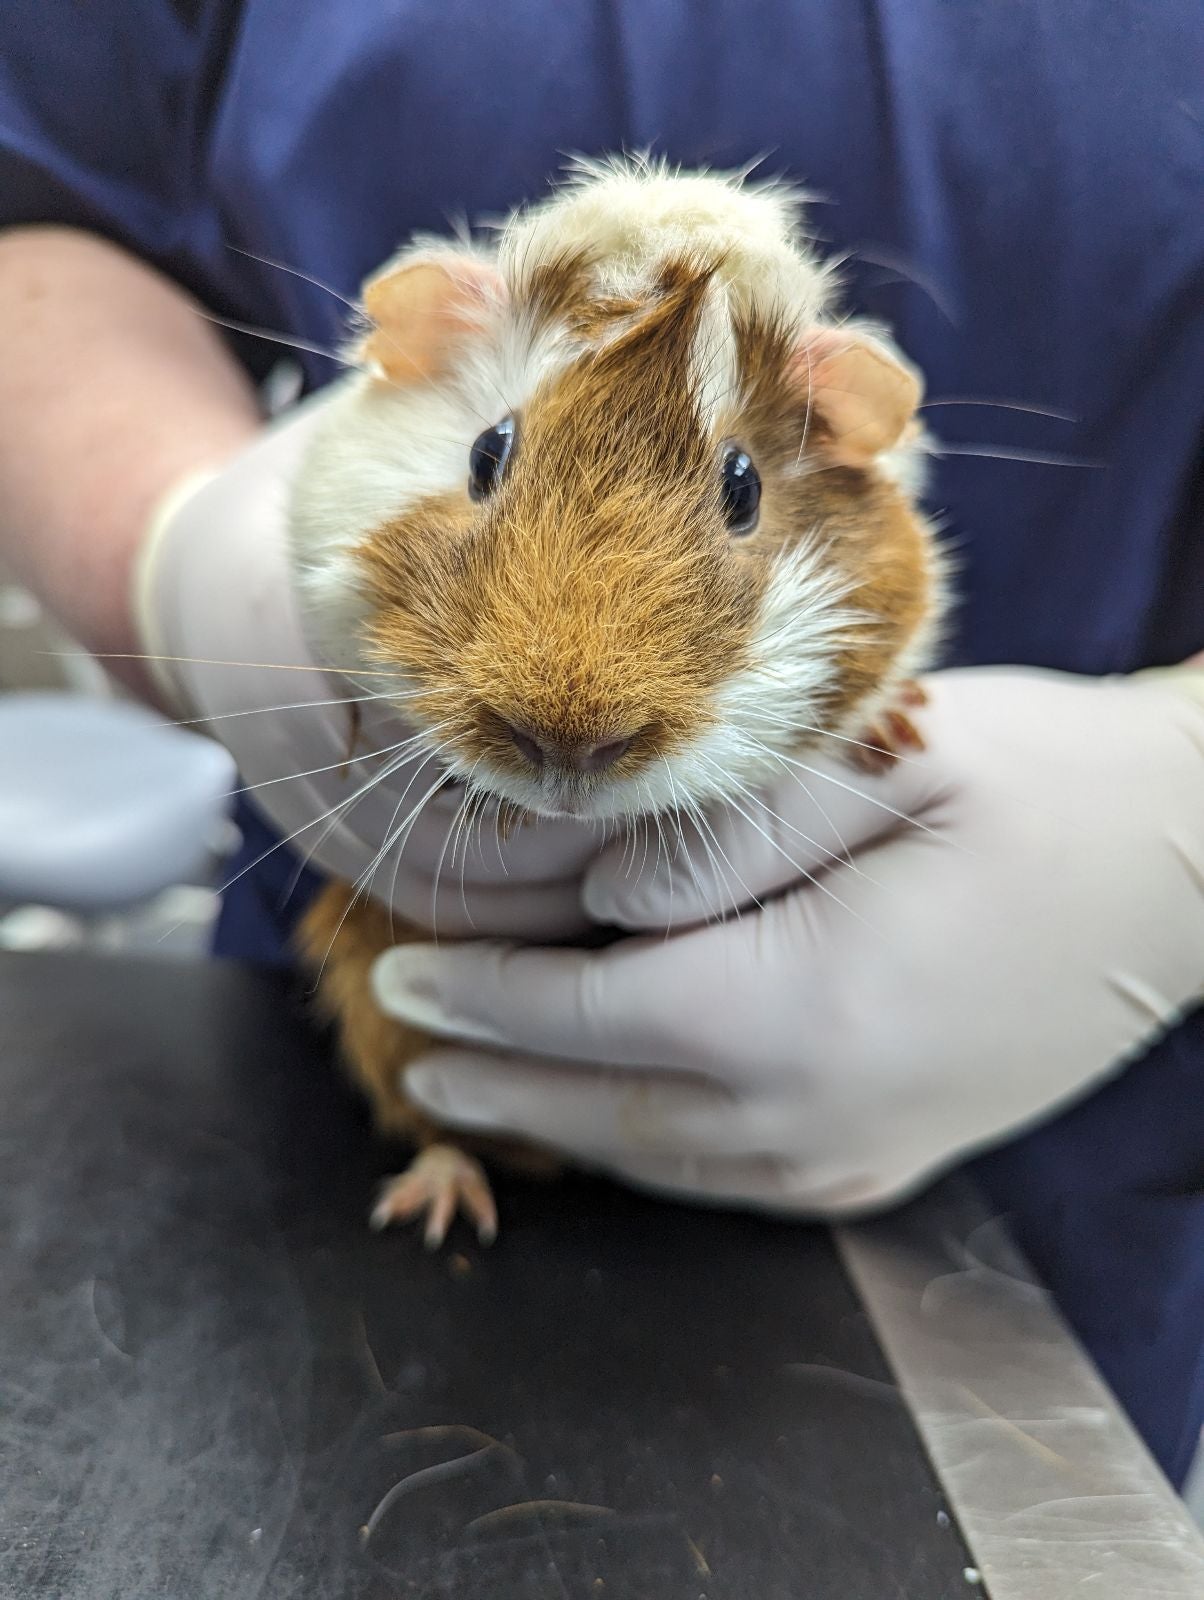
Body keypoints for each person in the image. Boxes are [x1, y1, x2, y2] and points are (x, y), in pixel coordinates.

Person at [2, 2, 1202, 1488]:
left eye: (743, 491)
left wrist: (1185, 795)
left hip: (1023, 1204)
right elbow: (38, 199)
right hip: (339, 1131)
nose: (576, 697)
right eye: (494, 461)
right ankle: (438, 1137)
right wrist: (173, 546)